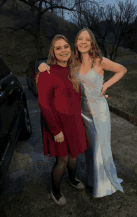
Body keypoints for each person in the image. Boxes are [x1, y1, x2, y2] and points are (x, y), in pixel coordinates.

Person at [36, 28, 127, 198]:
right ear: (76, 43)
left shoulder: (99, 61)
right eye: (79, 39)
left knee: (100, 148)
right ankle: (93, 180)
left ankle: (103, 185)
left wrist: (106, 86)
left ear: (92, 42)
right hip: (81, 114)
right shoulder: (73, 63)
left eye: (87, 39)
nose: (83, 42)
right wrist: (40, 65)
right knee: (90, 150)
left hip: (99, 112)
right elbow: (55, 72)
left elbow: (122, 69)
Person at [36, 35, 88, 207]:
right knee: (63, 159)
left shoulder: (73, 68)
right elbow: (44, 105)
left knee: (74, 155)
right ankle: (55, 191)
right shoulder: (46, 72)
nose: (63, 50)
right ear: (53, 51)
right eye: (58, 48)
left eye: (66, 46)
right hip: (57, 125)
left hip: (74, 122)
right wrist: (56, 130)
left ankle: (72, 180)